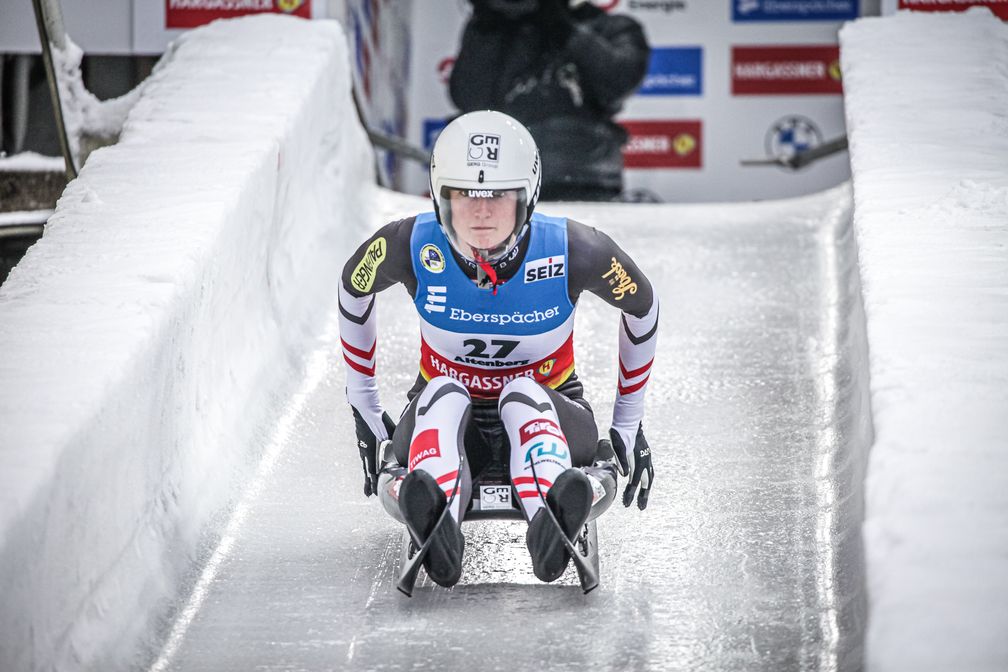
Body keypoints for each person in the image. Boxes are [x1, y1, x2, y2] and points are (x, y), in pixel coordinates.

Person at [339, 111, 657, 587]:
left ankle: (551, 514)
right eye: (465, 197)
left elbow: (641, 307)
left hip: (551, 413)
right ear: (440, 198)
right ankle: (439, 519)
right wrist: (363, 406)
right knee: (444, 390)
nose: (482, 214)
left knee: (520, 392)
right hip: (443, 416)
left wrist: (628, 422)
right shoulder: (411, 243)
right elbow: (353, 287)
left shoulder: (575, 249)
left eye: (497, 198)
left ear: (525, 199)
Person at [448, 0, 649, 201]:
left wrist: (561, 25)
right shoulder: (496, 28)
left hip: (583, 178)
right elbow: (469, 99)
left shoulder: (611, 27)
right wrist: (487, 28)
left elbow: (618, 81)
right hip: (503, 180)